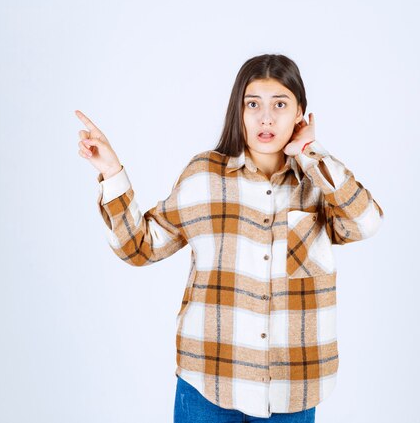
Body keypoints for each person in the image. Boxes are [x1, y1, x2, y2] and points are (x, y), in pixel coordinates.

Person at [76, 53, 384, 422]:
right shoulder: (204, 176)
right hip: (208, 382)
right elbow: (139, 247)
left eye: (280, 104)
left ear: (300, 114)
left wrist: (310, 154)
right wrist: (112, 172)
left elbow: (365, 222)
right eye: (253, 104)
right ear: (238, 110)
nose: (265, 118)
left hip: (292, 390)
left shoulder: (318, 184)